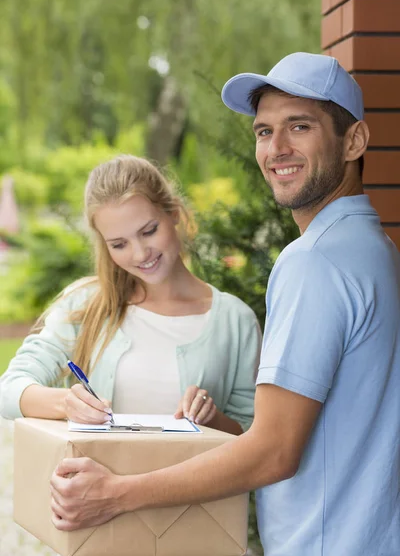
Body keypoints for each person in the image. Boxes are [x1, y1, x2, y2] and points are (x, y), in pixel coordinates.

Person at [49, 53, 400, 556]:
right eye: (263, 131)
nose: (276, 149)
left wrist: (116, 494)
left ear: (354, 141)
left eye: (299, 126)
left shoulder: (316, 262)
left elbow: (274, 452)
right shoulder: (376, 248)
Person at [0, 155, 261, 435]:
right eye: (119, 244)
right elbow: (8, 391)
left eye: (149, 231)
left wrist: (213, 419)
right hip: (96, 480)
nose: (140, 254)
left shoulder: (236, 321)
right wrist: (67, 404)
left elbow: (251, 433)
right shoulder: (84, 305)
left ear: (173, 212)